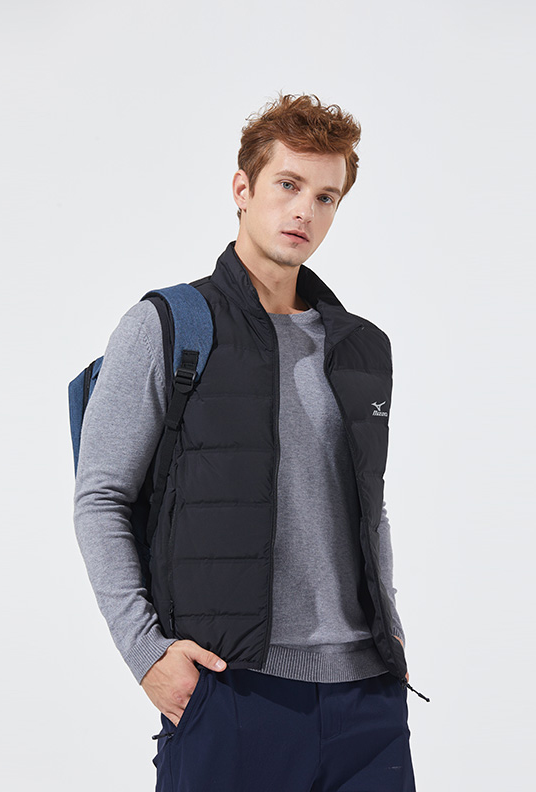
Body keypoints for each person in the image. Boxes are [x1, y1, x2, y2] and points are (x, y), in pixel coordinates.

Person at [73, 93, 421, 791]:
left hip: (367, 695)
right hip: (232, 689)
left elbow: (368, 505)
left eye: (325, 197)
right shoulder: (168, 325)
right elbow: (101, 496)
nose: (304, 212)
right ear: (243, 188)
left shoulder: (361, 347)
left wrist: (391, 631)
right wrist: (145, 654)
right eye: (288, 185)